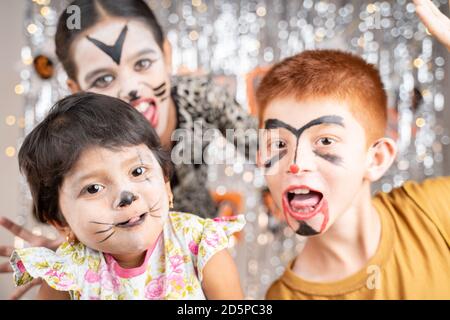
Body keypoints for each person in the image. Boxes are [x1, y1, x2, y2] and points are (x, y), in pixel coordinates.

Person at [1, 0, 257, 299]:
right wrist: (79, 252)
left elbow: (272, 150)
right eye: (104, 79)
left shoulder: (201, 98)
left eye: (143, 63)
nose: (132, 89)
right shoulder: (65, 141)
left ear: (166, 54)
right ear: (76, 88)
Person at [9, 92, 245, 300]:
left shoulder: (199, 246)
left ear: (166, 184)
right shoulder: (66, 273)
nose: (127, 197)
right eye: (93, 188)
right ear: (60, 222)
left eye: (137, 171)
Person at [256, 48, 450, 299]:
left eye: (325, 140)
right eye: (279, 144)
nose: (296, 163)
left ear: (376, 159)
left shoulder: (433, 211)